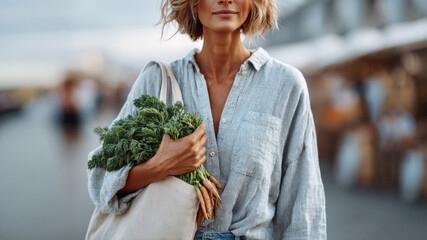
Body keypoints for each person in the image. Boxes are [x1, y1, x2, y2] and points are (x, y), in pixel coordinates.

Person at [87, 0, 327, 239]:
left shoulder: (285, 85)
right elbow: (100, 179)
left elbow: (303, 207)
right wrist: (161, 164)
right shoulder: (156, 82)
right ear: (192, 3)